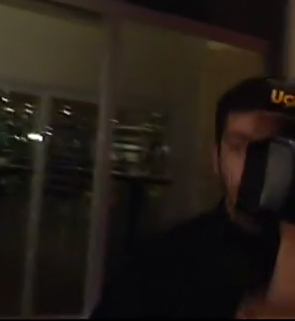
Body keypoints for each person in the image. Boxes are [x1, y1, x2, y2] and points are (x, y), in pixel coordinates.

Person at [91, 76, 295, 319]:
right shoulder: (160, 264)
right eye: (240, 147)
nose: (258, 167)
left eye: (276, 151)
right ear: (216, 159)